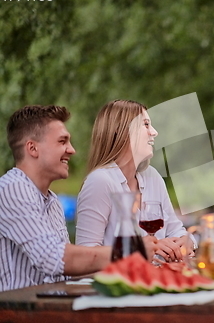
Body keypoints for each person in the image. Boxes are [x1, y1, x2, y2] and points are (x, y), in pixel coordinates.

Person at [0, 105, 156, 292]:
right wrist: (131, 251)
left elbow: (68, 272)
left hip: (51, 310)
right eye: (62, 141)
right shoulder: (13, 189)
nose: (72, 150)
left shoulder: (52, 200)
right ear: (32, 148)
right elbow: (53, 258)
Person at [76, 99, 195, 263]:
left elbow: (176, 230)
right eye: (146, 124)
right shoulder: (100, 181)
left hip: (156, 281)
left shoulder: (152, 176)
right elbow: (84, 255)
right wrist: (139, 250)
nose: (154, 132)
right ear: (121, 130)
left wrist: (186, 242)